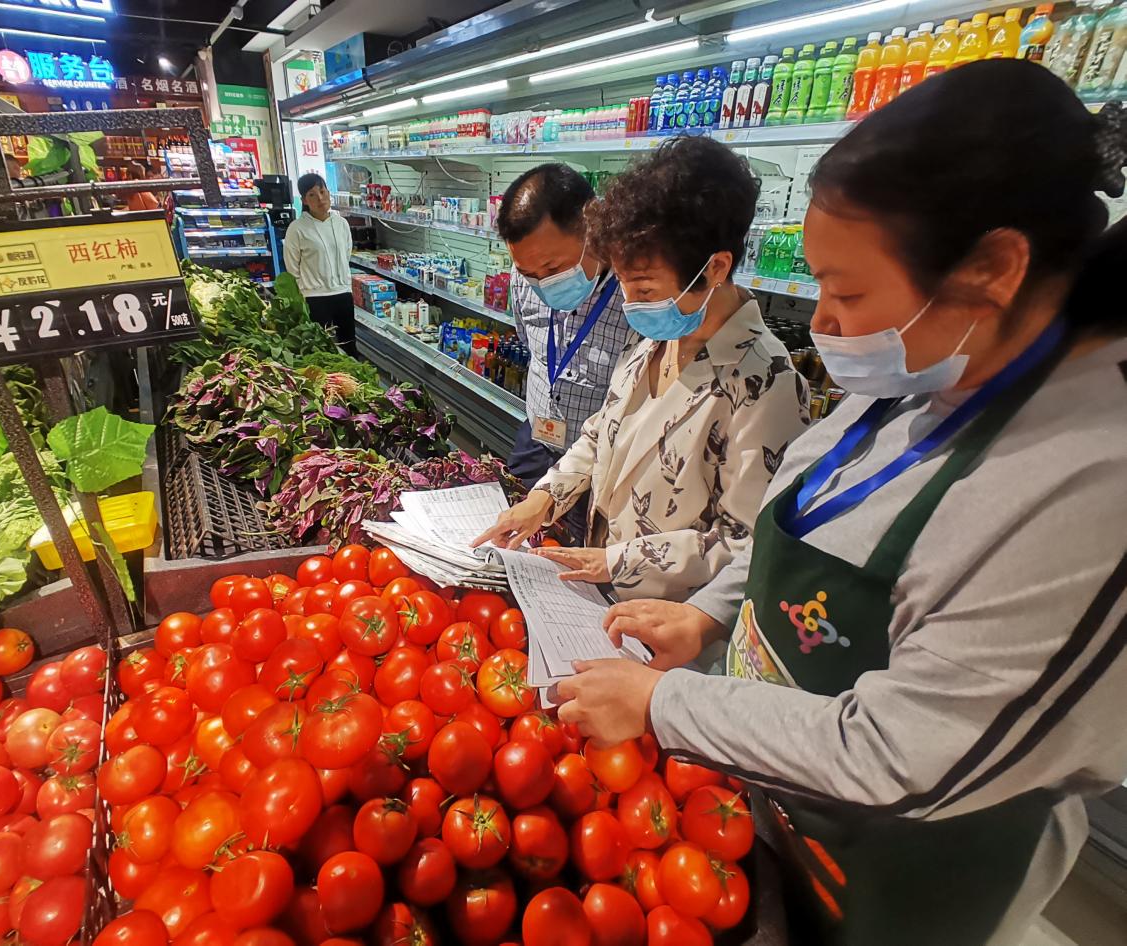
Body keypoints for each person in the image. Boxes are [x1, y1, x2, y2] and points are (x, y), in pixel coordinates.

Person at [553, 62, 1127, 946]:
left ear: (992, 269)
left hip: (903, 876)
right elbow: (797, 512)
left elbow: (910, 752)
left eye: (848, 292)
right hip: (768, 798)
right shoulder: (934, 366)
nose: (820, 322)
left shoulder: (1087, 483)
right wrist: (710, 614)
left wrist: (665, 706)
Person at [478, 138, 809, 602]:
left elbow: (748, 542)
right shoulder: (656, 340)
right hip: (607, 596)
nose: (630, 305)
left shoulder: (766, 384)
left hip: (671, 615)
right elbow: (601, 432)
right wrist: (545, 498)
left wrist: (617, 562)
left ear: (715, 268)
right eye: (623, 284)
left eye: (646, 290)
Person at [497, 164, 633, 542]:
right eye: (529, 274)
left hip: (602, 462)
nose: (542, 283)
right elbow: (529, 342)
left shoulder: (637, 291)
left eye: (553, 268)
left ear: (591, 226)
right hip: (537, 438)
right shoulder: (525, 275)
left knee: (576, 553)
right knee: (511, 541)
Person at [284, 173, 356, 354]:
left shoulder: (341, 223)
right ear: (304, 200)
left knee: (349, 345)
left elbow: (345, 254)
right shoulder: (297, 228)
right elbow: (292, 268)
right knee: (319, 350)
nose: (320, 198)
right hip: (314, 297)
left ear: (329, 193)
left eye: (322, 192)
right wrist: (304, 290)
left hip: (342, 293)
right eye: (312, 195)